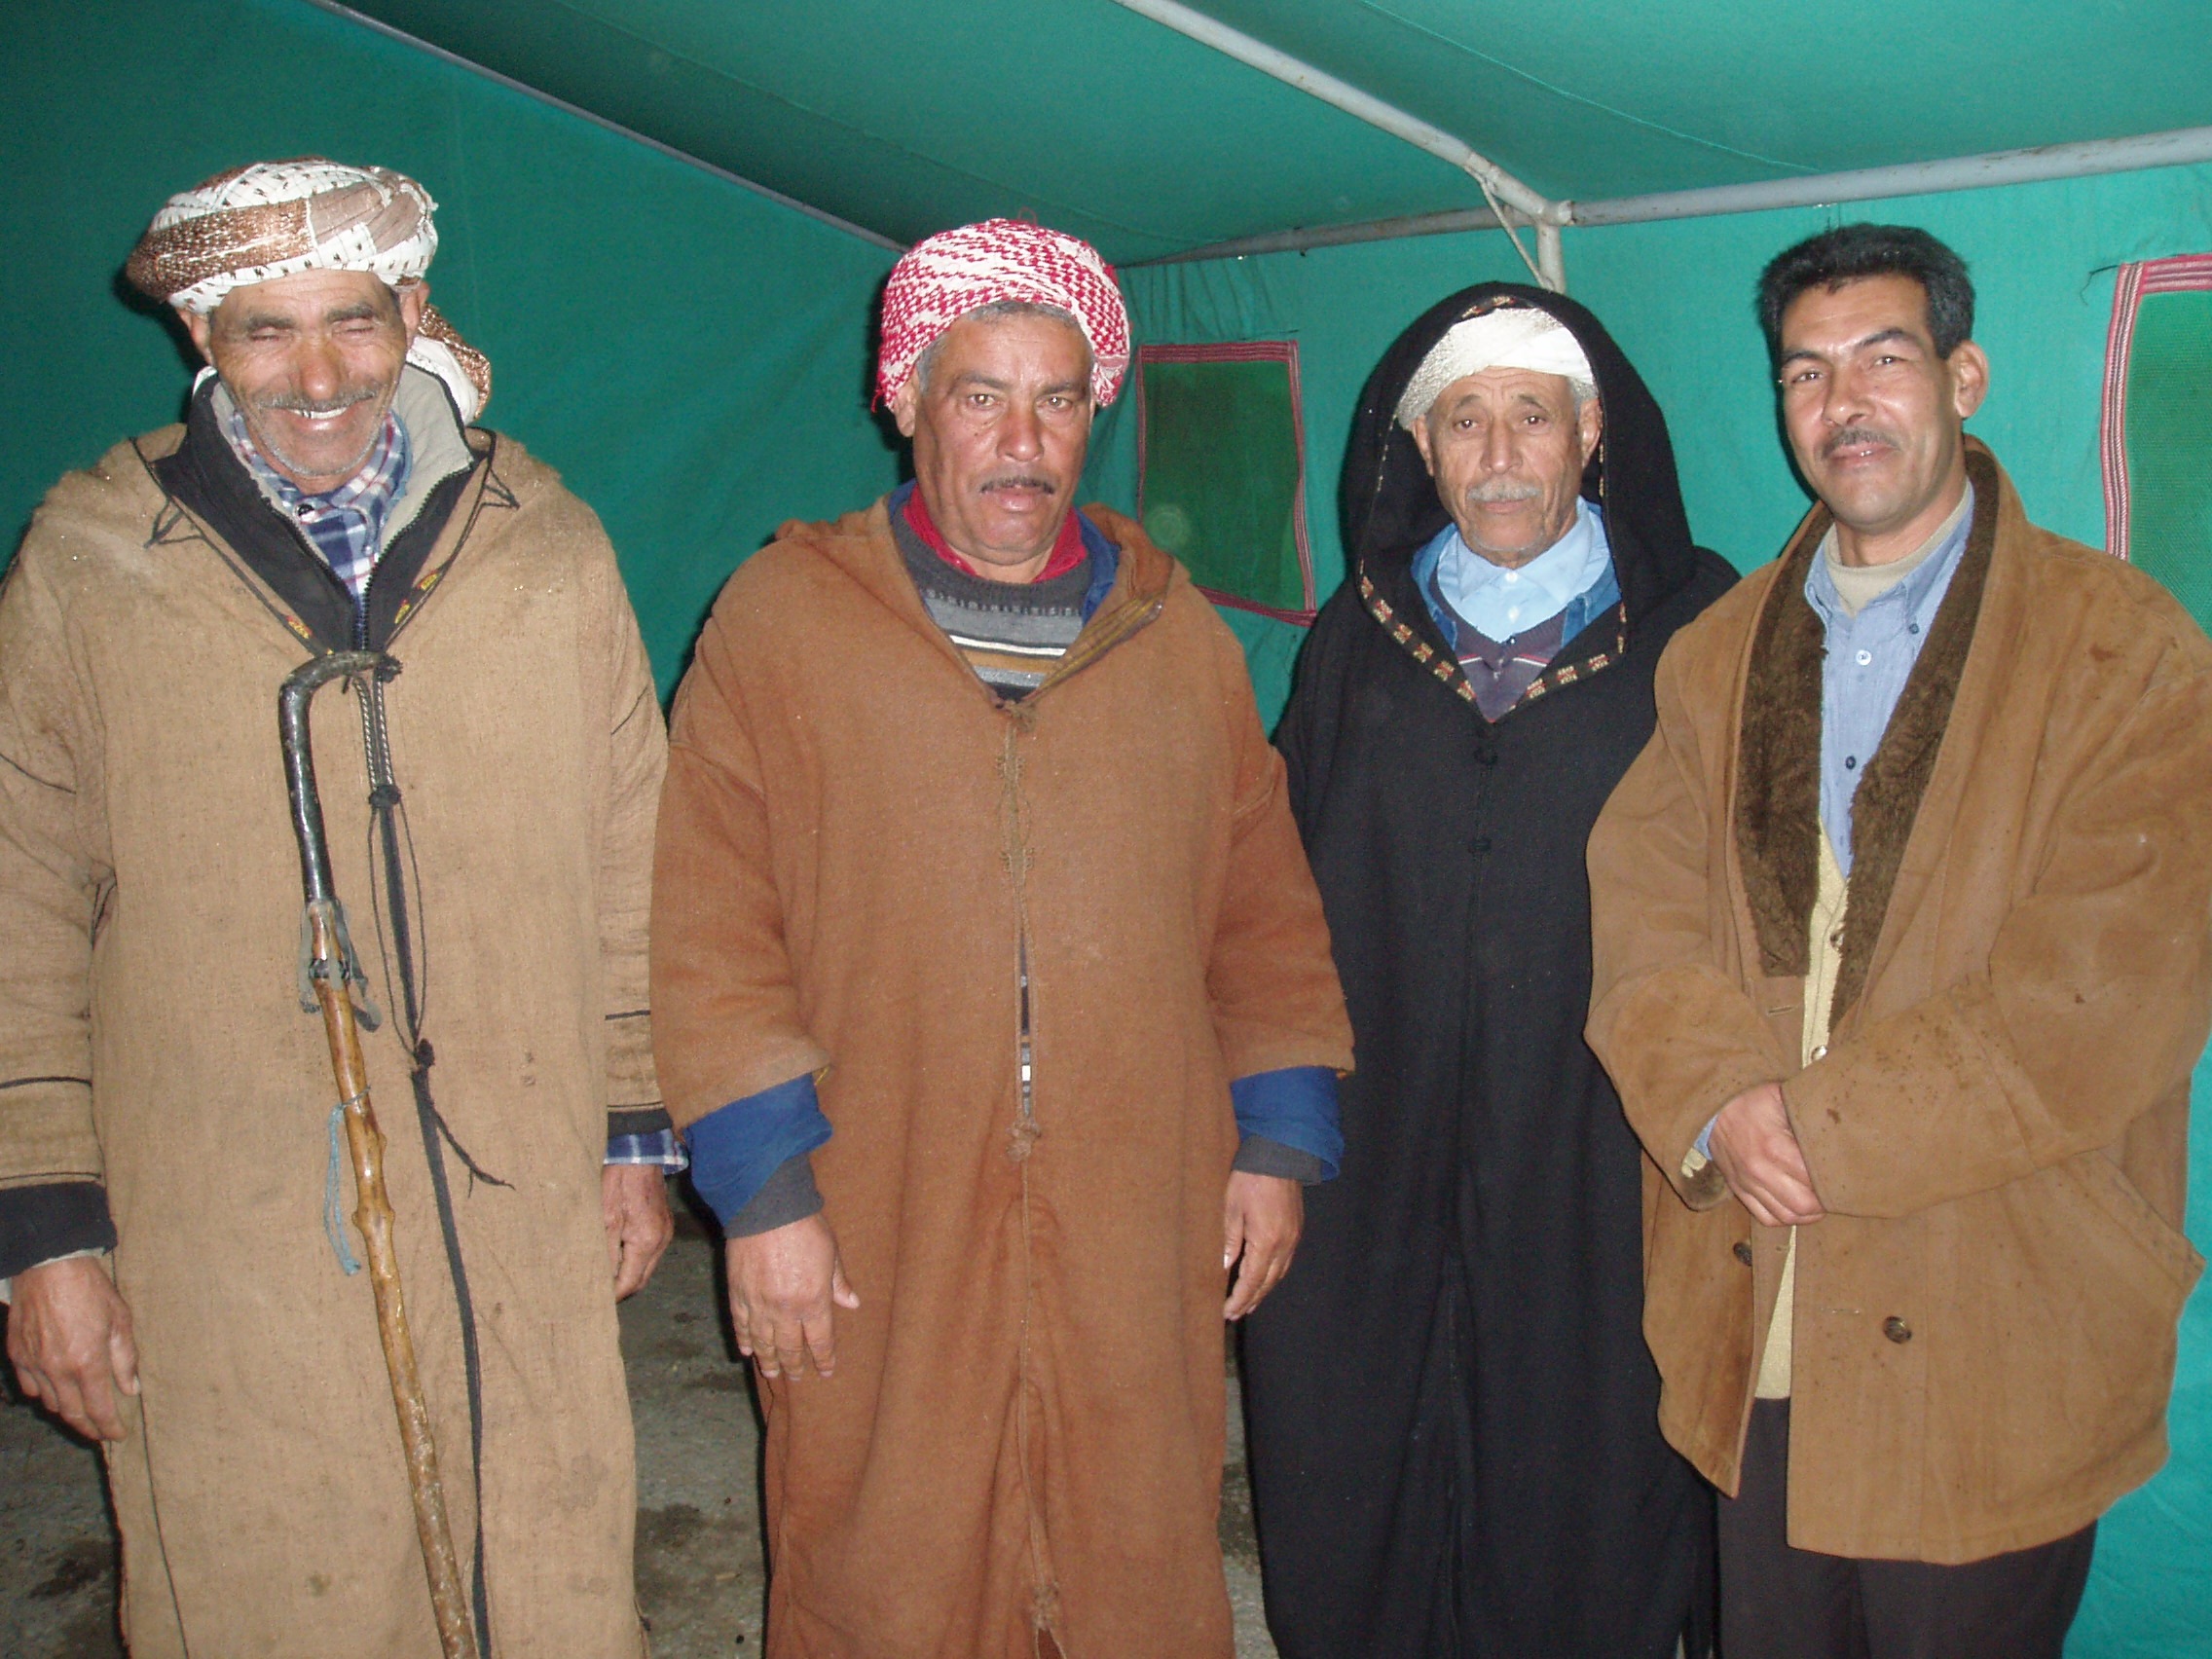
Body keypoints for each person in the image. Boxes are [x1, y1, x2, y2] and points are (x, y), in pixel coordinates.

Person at [650, 218, 1353, 1657]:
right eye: (980, 396)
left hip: (1131, 1195)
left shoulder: (1179, 645)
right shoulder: (786, 625)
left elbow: (1262, 909)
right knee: (883, 1554)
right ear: (904, 399)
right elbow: (709, 925)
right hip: (872, 1194)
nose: (1021, 442)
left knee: (1130, 1550)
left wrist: (1277, 1138)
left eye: (1058, 400)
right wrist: (763, 1191)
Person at [0, 158, 676, 1656]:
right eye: (265, 331)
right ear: (204, 340)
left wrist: (635, 1126)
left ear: (411, 318)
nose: (318, 375)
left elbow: (638, 854)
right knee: (261, 1578)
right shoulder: (94, 568)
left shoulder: (547, 554)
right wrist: (45, 1230)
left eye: (354, 323)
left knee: (547, 1567)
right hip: (217, 1219)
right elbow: (18, 899)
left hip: (520, 1179)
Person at [1586, 223, 2212, 1659]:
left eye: (1884, 357)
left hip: (2002, 1297)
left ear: (1965, 374)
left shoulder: (2125, 650)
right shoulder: (1719, 649)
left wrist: (1816, 1129)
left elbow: (2109, 985)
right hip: (1764, 1301)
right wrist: (1714, 1104)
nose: (1843, 403)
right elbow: (1643, 898)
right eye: (1805, 372)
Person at [1240, 283, 1736, 1657]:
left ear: (1592, 439)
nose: (1502, 452)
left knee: (1587, 1462)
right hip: (1374, 1139)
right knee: (1354, 1438)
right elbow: (1271, 887)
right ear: (1422, 450)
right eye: (1468, 421)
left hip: (1598, 1146)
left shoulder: (1701, 633)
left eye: (1533, 416)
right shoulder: (1361, 640)